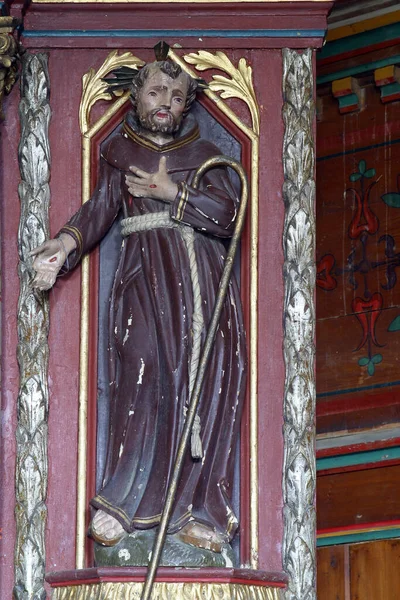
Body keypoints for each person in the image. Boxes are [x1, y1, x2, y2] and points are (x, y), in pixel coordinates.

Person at [31, 60, 246, 555]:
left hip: (202, 288)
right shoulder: (121, 152)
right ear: (137, 97)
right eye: (155, 92)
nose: (164, 102)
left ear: (187, 101)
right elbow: (102, 207)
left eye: (175, 94)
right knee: (142, 370)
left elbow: (230, 214)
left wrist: (173, 192)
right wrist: (64, 245)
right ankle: (124, 504)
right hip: (145, 281)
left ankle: (199, 509)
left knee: (208, 381)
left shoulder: (210, 156)